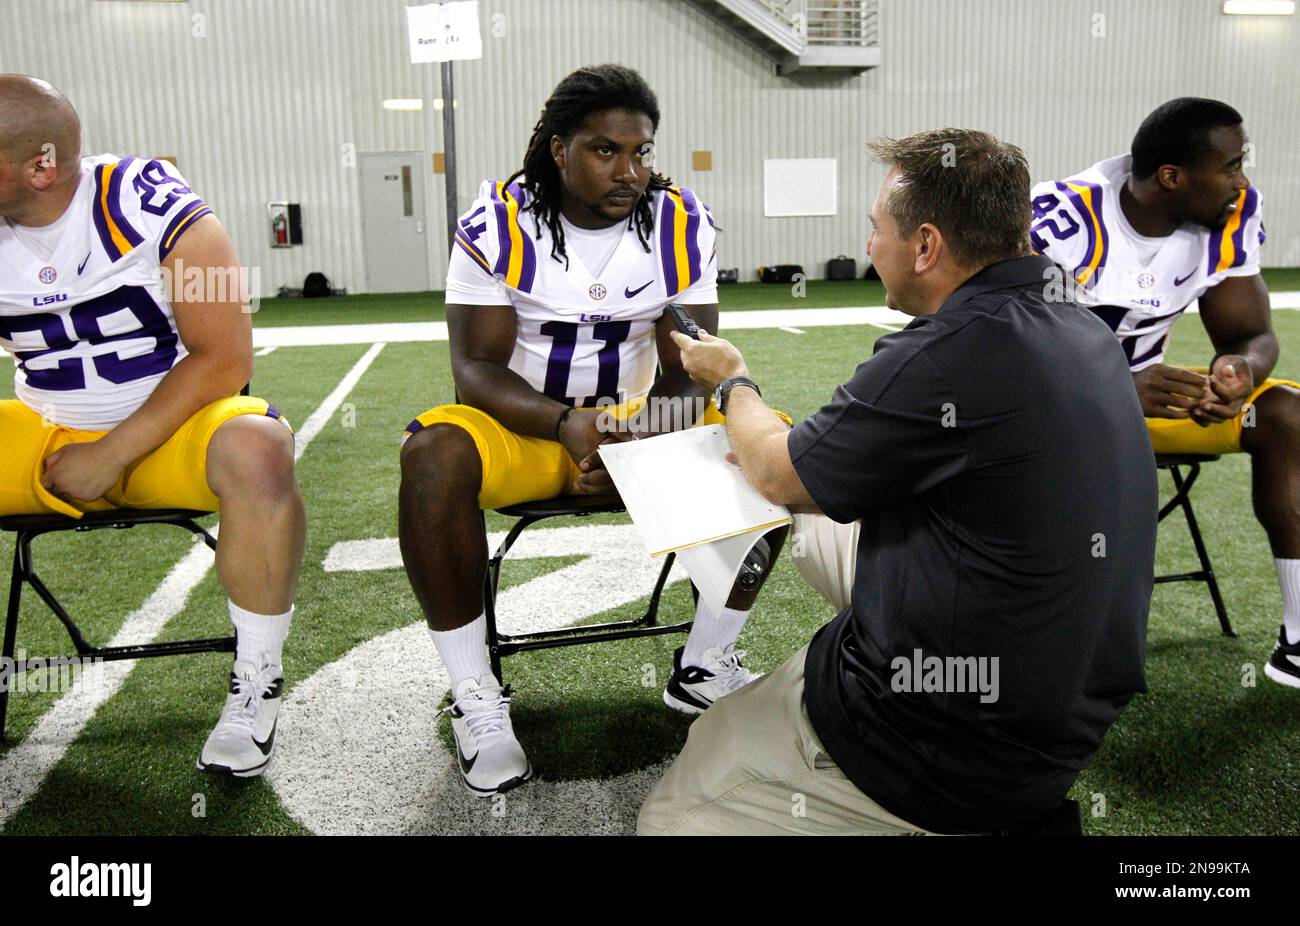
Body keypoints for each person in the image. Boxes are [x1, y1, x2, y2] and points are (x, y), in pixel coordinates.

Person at [639, 128, 1156, 835]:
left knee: (680, 809)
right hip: (1066, 683)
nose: (871, 246)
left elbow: (776, 470)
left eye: (876, 230)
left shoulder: (946, 354)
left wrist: (733, 384)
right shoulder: (1082, 326)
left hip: (947, 745)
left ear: (926, 246)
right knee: (818, 517)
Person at [398, 64, 787, 798]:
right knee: (432, 454)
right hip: (529, 431)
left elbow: (691, 360)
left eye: (640, 151)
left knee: (776, 445)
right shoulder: (498, 223)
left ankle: (704, 664)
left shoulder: (678, 220)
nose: (630, 170)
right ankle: (476, 693)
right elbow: (475, 369)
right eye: (605, 150)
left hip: (643, 431)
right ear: (558, 148)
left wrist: (637, 440)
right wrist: (566, 427)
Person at [0, 75, 305, 777]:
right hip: (46, 431)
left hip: (168, 434)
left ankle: (257, 679)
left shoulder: (150, 203)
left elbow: (225, 358)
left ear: (41, 166)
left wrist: (112, 452)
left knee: (259, 446)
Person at [1031, 98, 1300, 689]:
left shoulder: (1231, 215)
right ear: (1172, 177)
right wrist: (1110, 387)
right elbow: (1001, 351)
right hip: (1055, 410)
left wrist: (1240, 372)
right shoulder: (1062, 218)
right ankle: (1050, 639)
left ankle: (1299, 641)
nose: (1242, 181)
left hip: (1149, 404)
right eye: (1230, 167)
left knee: (1286, 414)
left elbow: (1251, 333)